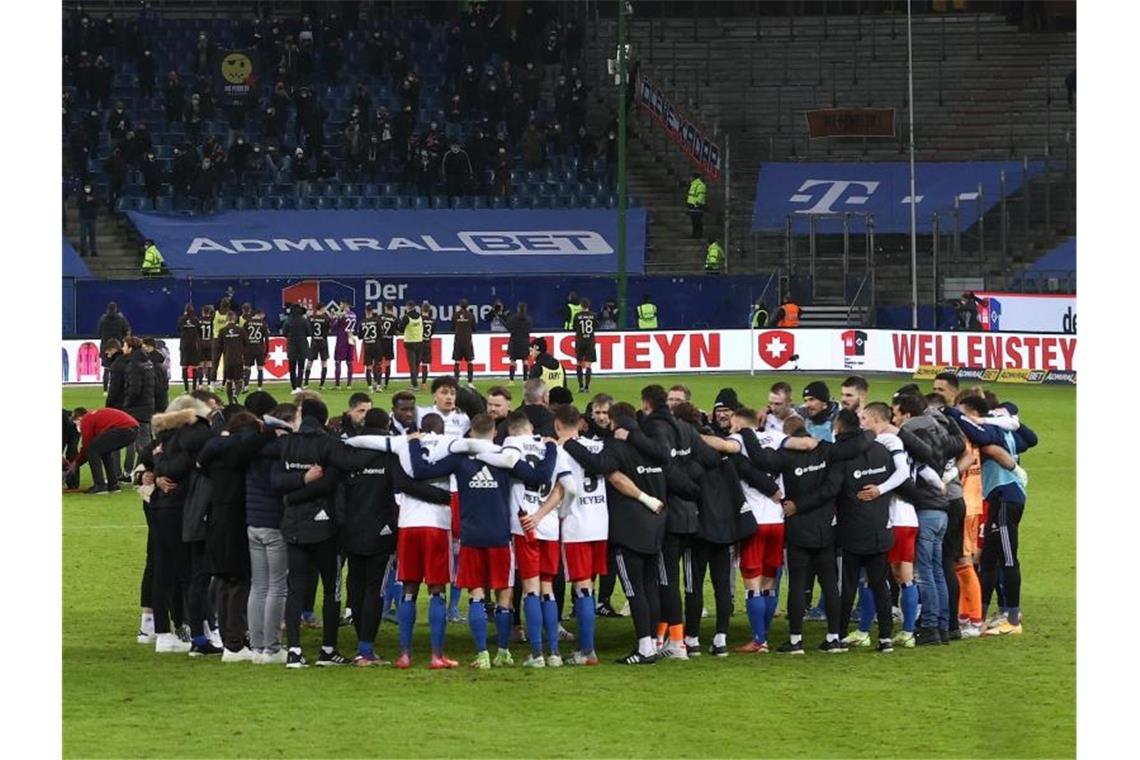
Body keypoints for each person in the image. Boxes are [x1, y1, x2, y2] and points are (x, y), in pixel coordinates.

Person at [415, 414, 556, 669]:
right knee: (504, 593)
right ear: (495, 433)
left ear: (470, 433)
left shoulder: (459, 459)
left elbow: (423, 471)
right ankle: (503, 651)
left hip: (471, 535)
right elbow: (539, 477)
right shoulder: (504, 456)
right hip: (500, 534)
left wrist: (414, 444)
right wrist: (552, 448)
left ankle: (482, 654)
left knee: (476, 594)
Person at [328, 408, 450, 666]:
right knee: (375, 588)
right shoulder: (389, 454)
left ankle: (362, 647)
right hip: (381, 529)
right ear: (386, 426)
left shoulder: (347, 454)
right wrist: (444, 497)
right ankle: (366, 649)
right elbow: (405, 484)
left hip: (350, 527)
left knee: (355, 584)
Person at [562, 401, 667, 664]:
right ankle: (654, 642)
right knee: (651, 586)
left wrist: (569, 443)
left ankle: (645, 648)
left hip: (629, 528)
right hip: (656, 524)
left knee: (634, 590)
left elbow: (599, 465)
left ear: (613, 421)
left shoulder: (617, 447)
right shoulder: (652, 449)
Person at [273, 398, 350, 668]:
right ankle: (328, 649)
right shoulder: (330, 444)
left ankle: (294, 650)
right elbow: (329, 484)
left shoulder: (286, 444)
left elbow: (276, 480)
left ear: (302, 416)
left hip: (293, 525)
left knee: (295, 588)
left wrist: (292, 495)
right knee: (332, 589)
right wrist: (303, 485)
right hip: (325, 527)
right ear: (324, 418)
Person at [825, 409, 899, 653]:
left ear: (839, 427)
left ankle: (838, 635)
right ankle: (885, 638)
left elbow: (833, 489)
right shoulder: (882, 451)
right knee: (880, 585)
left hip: (852, 530)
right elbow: (893, 481)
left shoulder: (842, 456)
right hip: (880, 527)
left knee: (847, 586)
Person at [500, 412, 562, 667]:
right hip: (550, 525)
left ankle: (536, 654)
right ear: (531, 427)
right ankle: (555, 653)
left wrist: (533, 517)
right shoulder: (551, 446)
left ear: (511, 430)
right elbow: (561, 488)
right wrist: (542, 514)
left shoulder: (510, 445)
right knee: (548, 588)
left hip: (525, 526)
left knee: (531, 589)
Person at [244, 398, 292, 665]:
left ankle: (258, 646)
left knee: (258, 586)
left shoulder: (254, 448)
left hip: (253, 522)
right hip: (273, 523)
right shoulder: (279, 453)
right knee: (277, 587)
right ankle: (272, 648)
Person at [69, 407, 139, 494]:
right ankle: (113, 485)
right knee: (104, 450)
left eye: (76, 422)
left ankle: (100, 485)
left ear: (79, 418)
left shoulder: (87, 419)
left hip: (123, 428)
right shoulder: (95, 416)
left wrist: (77, 463)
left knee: (92, 450)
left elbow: (87, 445)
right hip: (132, 429)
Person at [121, 337, 157, 478]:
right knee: (145, 442)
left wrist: (126, 404)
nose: (123, 348)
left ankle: (145, 473)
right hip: (148, 406)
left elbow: (134, 389)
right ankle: (140, 472)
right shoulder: (148, 362)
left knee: (138, 443)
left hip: (136, 409)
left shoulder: (134, 365)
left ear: (130, 348)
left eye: (125, 345)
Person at [97, 302, 131, 393]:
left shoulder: (103, 319)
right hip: (117, 347)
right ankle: (119, 388)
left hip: (105, 346)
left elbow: (98, 333)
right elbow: (127, 331)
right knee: (119, 369)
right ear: (116, 308)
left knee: (106, 369)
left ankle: (105, 390)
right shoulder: (121, 319)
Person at [281, 303, 310, 394]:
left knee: (292, 368)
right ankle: (298, 386)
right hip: (302, 346)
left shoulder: (288, 321)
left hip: (292, 346)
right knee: (301, 368)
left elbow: (284, 333)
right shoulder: (304, 320)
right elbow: (309, 332)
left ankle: (293, 387)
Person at [219, 313, 246, 405]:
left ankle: (230, 402)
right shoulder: (240, 330)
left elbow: (219, 346)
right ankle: (236, 394)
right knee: (240, 380)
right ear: (235, 319)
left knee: (229, 380)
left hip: (227, 358)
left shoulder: (222, 331)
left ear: (226, 319)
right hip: (238, 358)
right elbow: (246, 343)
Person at [572, 297, 598, 394]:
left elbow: (574, 327)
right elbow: (596, 326)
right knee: (588, 365)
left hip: (580, 341)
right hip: (590, 341)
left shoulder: (577, 316)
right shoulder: (593, 315)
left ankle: (580, 386)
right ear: (588, 306)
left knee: (579, 363)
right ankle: (587, 387)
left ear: (581, 306)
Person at [398, 300, 425, 391]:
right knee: (417, 364)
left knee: (412, 365)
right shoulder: (420, 316)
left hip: (410, 343)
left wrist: (400, 322)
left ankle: (414, 384)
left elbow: (401, 329)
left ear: (407, 307)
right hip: (419, 342)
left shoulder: (406, 317)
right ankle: (415, 382)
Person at [331, 300, 358, 389]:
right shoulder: (354, 315)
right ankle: (349, 385)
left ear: (345, 305)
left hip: (342, 339)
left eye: (341, 304)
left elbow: (333, 327)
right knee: (349, 362)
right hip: (350, 338)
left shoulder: (342, 315)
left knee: (338, 362)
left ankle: (338, 385)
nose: (340, 305)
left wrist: (334, 318)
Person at [305, 303, 331, 389]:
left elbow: (308, 328)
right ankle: (322, 385)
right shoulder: (326, 318)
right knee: (324, 363)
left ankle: (306, 383)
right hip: (323, 341)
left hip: (314, 342)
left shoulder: (311, 317)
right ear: (322, 308)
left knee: (309, 362)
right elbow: (329, 328)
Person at [451, 298, 477, 386]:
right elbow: (474, 328)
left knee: (457, 362)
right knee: (469, 361)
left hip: (458, 341)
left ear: (459, 305)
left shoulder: (455, 315)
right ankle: (470, 382)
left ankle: (456, 381)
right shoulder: (471, 315)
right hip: (467, 342)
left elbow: (452, 328)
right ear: (468, 306)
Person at [358, 304, 383, 393]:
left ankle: (370, 387)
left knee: (368, 367)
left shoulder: (362, 322)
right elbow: (380, 334)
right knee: (378, 365)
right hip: (376, 346)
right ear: (372, 311)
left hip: (367, 347)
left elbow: (360, 336)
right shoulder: (377, 321)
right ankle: (378, 386)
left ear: (365, 311)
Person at [243, 308, 269, 391]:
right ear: (260, 314)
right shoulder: (263, 324)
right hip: (259, 348)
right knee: (260, 368)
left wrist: (242, 349)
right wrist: (266, 351)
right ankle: (259, 388)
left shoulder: (247, 322)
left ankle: (246, 386)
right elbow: (266, 339)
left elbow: (243, 337)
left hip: (248, 348)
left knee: (247, 367)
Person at [506, 302, 533, 383]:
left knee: (512, 361)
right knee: (525, 360)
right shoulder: (528, 319)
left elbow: (508, 328)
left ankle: (511, 380)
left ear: (518, 309)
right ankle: (525, 380)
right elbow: (530, 329)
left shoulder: (513, 318)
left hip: (514, 341)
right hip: (524, 341)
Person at [177, 304, 200, 393]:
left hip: (184, 345)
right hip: (194, 345)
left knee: (184, 367)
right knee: (194, 367)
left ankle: (186, 389)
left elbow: (179, 330)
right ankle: (194, 388)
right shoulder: (196, 320)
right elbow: (198, 330)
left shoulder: (181, 319)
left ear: (185, 310)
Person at [197, 305, 216, 391]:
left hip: (201, 344)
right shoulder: (212, 320)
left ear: (202, 312)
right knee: (209, 365)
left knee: (200, 365)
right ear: (209, 312)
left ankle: (200, 385)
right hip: (210, 344)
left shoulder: (199, 320)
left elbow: (197, 333)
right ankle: (209, 385)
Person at [418, 301, 436, 388]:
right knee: (425, 364)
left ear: (421, 309)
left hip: (419, 342)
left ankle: (414, 382)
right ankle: (424, 383)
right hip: (428, 343)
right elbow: (432, 332)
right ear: (429, 310)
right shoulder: (433, 321)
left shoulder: (419, 319)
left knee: (416, 363)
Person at [686, 172, 707, 238]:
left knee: (697, 221)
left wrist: (697, 204)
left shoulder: (700, 185)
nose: (690, 178)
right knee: (694, 221)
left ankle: (698, 234)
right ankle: (694, 234)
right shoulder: (693, 184)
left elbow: (701, 195)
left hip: (697, 206)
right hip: (692, 205)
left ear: (694, 178)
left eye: (691, 177)